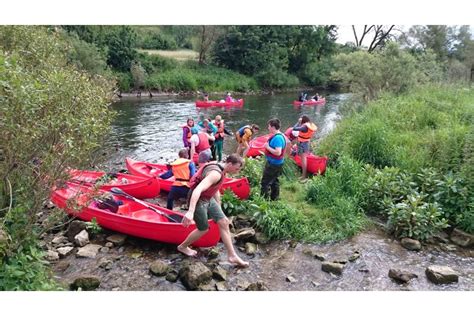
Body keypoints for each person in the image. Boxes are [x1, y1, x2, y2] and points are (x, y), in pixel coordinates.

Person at [178, 154, 249, 267]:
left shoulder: (222, 168)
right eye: (237, 169)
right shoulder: (215, 174)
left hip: (207, 198)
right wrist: (190, 211)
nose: (237, 171)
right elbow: (198, 189)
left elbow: (215, 189)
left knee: (224, 221)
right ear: (230, 164)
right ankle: (182, 247)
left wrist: (219, 209)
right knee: (203, 229)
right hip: (198, 199)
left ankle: (232, 256)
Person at [260, 118, 287, 201]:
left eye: (269, 126)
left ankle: (263, 201)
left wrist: (267, 147)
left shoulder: (278, 138)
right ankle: (274, 198)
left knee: (265, 182)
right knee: (274, 180)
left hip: (273, 164)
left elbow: (278, 152)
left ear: (273, 127)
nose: (268, 128)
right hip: (277, 163)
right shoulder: (280, 135)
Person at [293, 115, 318, 180]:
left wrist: (298, 122)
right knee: (302, 158)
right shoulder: (310, 125)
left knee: (304, 159)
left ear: (302, 121)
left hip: (303, 144)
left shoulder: (304, 127)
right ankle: (303, 174)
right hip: (305, 143)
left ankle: (304, 176)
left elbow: (294, 128)